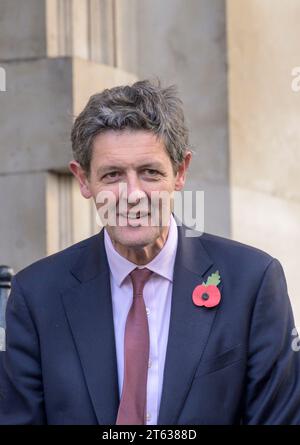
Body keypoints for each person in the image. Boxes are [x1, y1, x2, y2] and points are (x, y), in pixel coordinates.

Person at [1, 80, 300, 425]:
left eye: (149, 173)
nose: (133, 194)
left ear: (180, 172)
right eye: (112, 175)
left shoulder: (253, 282)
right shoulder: (37, 295)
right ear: (83, 179)